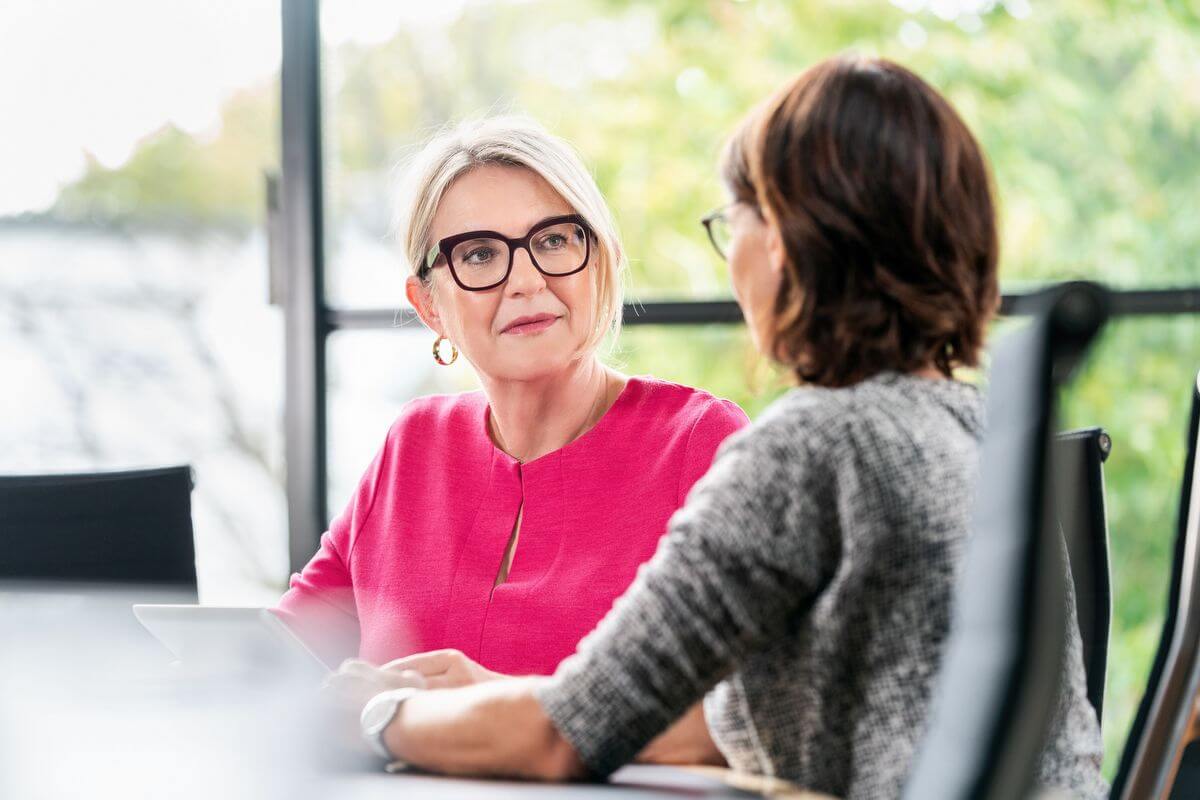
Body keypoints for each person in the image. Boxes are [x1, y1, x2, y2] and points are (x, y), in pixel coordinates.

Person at [334, 55, 1108, 799]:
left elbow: (564, 732)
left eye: (732, 221)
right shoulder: (980, 432)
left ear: (784, 244)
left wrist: (378, 716)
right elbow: (697, 716)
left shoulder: (811, 448)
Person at [274, 116, 747, 734]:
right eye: (478, 254)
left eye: (553, 240)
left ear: (601, 260)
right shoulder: (412, 445)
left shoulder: (701, 444)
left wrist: (497, 705)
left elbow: (758, 712)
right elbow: (279, 662)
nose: (526, 281)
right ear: (429, 305)